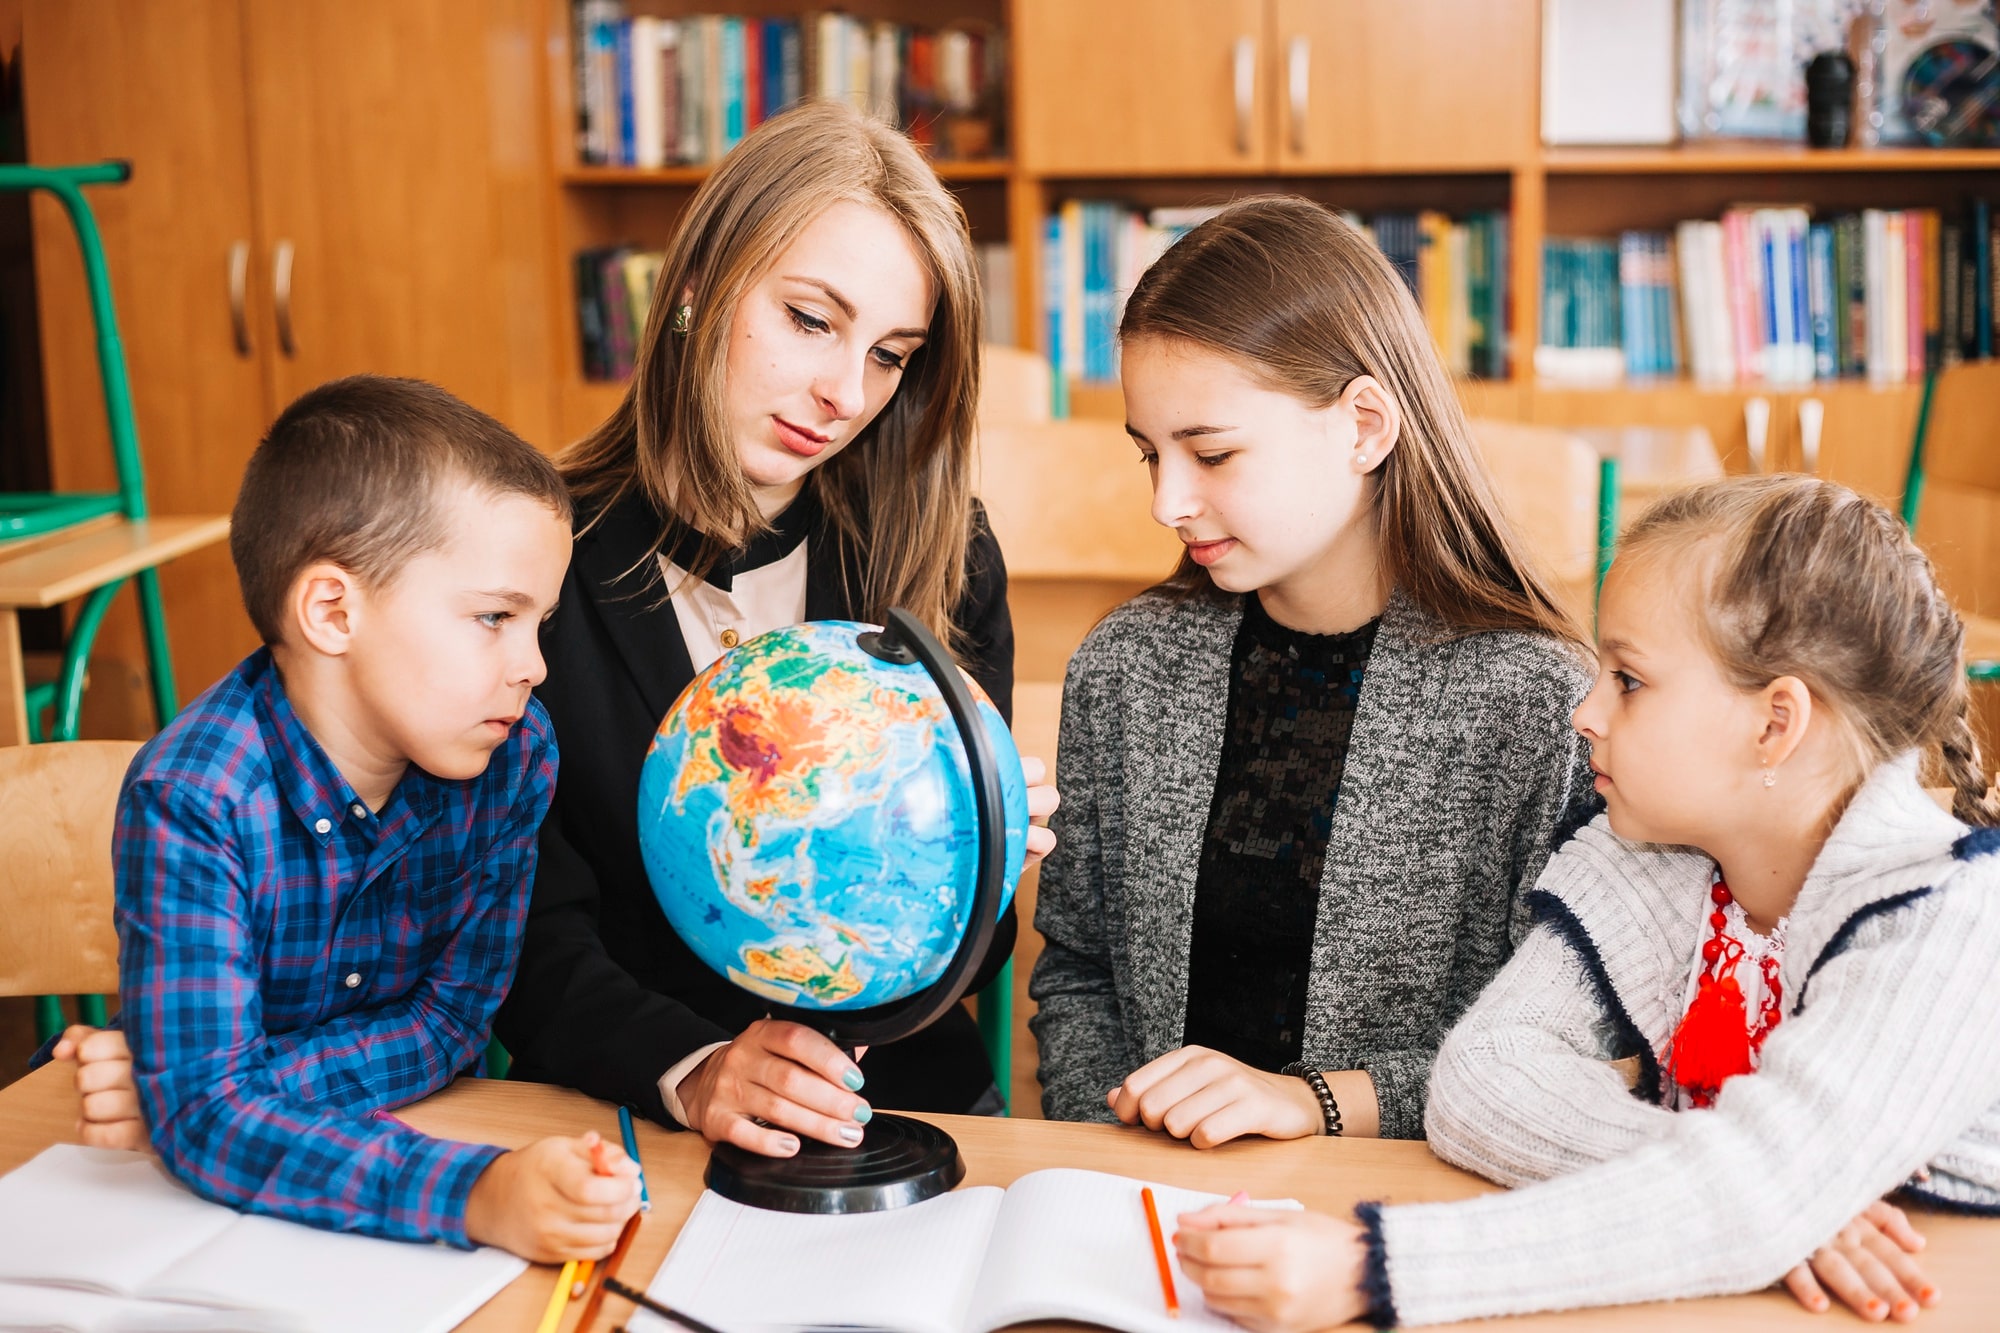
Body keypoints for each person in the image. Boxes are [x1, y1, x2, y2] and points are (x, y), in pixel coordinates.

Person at [1172, 475, 2000, 1328]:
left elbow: (1760, 1187)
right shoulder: (1654, 852)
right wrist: (1754, 1198)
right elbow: (1479, 1080)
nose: (1585, 711)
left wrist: (1372, 1268)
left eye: (1629, 680)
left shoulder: (1952, 920)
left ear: (1774, 724)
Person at [494, 100, 1057, 1159]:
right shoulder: (532, 554)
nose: (844, 394)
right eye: (810, 319)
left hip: (895, 1114)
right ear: (696, 287)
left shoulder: (945, 551)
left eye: (891, 354)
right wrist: (693, 1068)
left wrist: (973, 869)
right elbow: (521, 935)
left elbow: (975, 969)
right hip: (624, 1115)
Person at [1029, 195, 1594, 1145]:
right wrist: (1111, 1146)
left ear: (1366, 425)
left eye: (1212, 453)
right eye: (1149, 455)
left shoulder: (1535, 702)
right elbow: (1081, 970)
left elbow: (1567, 1042)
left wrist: (1318, 1105)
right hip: (1149, 1209)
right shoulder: (1125, 669)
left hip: (1403, 1217)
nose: (1168, 499)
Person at [54, 375, 640, 1261]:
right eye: (493, 618)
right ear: (333, 611)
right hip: (195, 1237)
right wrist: (475, 1192)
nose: (533, 667)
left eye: (540, 623)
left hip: (382, 1163)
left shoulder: (514, 757)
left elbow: (449, 1022)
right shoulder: (194, 798)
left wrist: (209, 1092)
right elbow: (208, 1113)